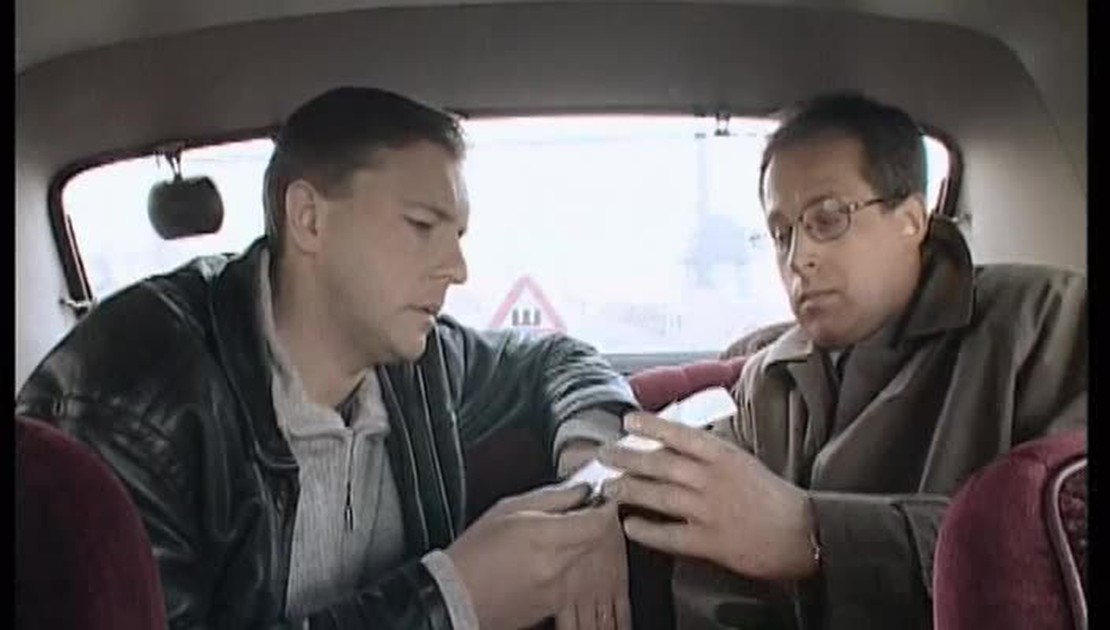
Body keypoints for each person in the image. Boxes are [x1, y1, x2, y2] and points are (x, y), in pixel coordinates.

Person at [16, 86, 638, 629]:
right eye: (422, 226)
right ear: (309, 219)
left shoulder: (419, 367)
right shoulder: (130, 406)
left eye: (457, 236)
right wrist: (452, 602)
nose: (457, 268)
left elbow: (560, 359)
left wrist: (594, 491)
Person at [595, 91, 1087, 628]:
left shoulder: (1047, 323)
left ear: (911, 220)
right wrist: (597, 527)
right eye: (782, 233)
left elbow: (1061, 539)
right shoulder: (769, 379)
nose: (798, 257)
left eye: (828, 219)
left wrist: (813, 533)